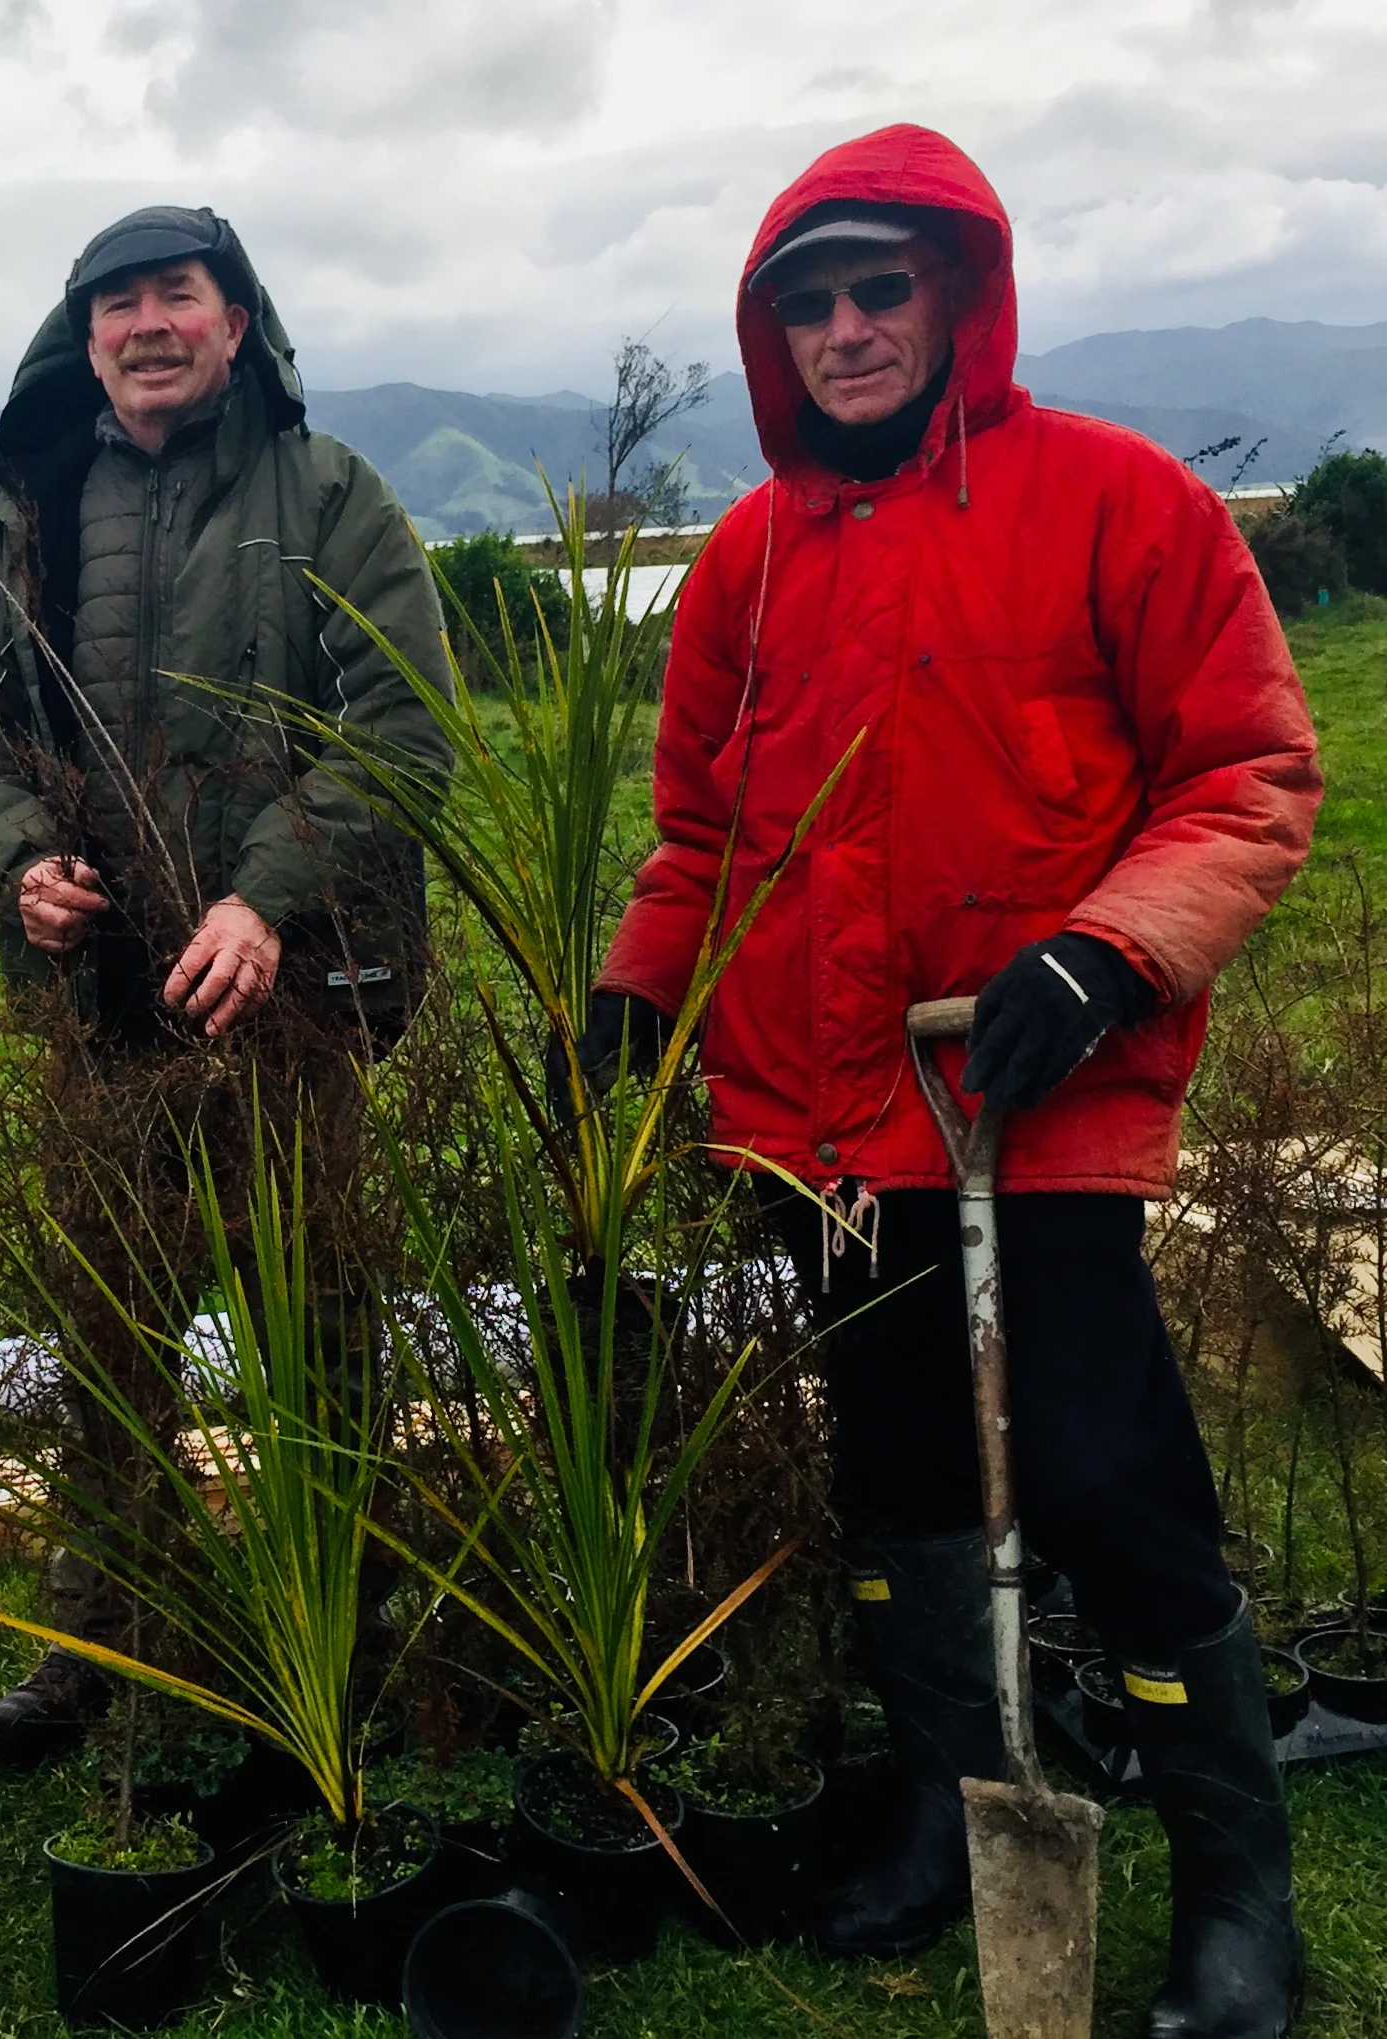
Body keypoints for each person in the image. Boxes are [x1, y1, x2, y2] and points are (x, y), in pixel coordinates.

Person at [594, 127, 1321, 2038]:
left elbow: (1243, 775)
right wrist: (628, 997)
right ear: (771, 334)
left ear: (953, 298)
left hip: (1030, 1095)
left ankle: (1234, 1895)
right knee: (896, 1463)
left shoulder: (1111, 500)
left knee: (1104, 1475)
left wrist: (1101, 951)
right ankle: (938, 1807)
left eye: (875, 291)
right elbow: (695, 834)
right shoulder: (745, 560)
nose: (843, 330)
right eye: (805, 303)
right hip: (822, 1116)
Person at [0, 205, 453, 1761]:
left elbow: (400, 726)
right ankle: (110, 1619)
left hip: (289, 1005)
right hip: (103, 1018)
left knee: (317, 1321)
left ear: (235, 320)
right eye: (115, 306)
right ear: (82, 339)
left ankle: (329, 1614)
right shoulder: (33, 511)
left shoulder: (328, 495)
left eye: (176, 295)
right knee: (109, 1323)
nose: (146, 324)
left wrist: (267, 894)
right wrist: (14, 858)